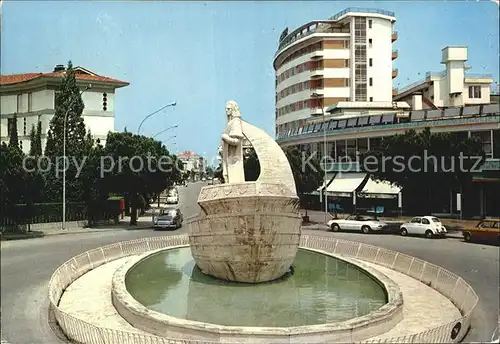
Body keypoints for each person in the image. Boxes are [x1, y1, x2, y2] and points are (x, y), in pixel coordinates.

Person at [221, 100, 245, 184]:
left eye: (228, 109)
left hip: (234, 160)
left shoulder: (236, 122)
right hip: (228, 159)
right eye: (226, 109)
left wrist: (225, 138)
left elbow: (237, 141)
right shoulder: (230, 123)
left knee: (234, 183)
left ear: (233, 109)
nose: (226, 110)